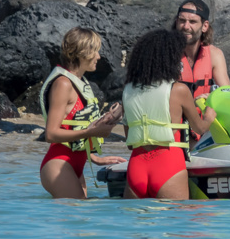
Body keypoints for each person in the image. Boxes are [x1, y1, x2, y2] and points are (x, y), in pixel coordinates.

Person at [122, 29, 217, 200]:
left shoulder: (128, 91)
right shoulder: (179, 90)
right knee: (173, 225)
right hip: (168, 166)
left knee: (136, 226)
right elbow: (200, 128)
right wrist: (209, 113)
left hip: (136, 167)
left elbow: (130, 143)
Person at [39, 27, 126, 199]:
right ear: (82, 53)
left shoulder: (79, 82)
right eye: (95, 51)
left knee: (81, 221)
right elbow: (51, 134)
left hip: (75, 166)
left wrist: (95, 158)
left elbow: (72, 125)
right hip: (58, 163)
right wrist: (91, 132)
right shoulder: (63, 84)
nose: (99, 57)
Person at [173, 0, 230, 98]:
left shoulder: (214, 55)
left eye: (192, 22)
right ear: (177, 22)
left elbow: (228, 94)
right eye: (182, 20)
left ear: (204, 26)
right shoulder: (164, 53)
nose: (186, 26)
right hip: (175, 113)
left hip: (203, 112)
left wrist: (213, 98)